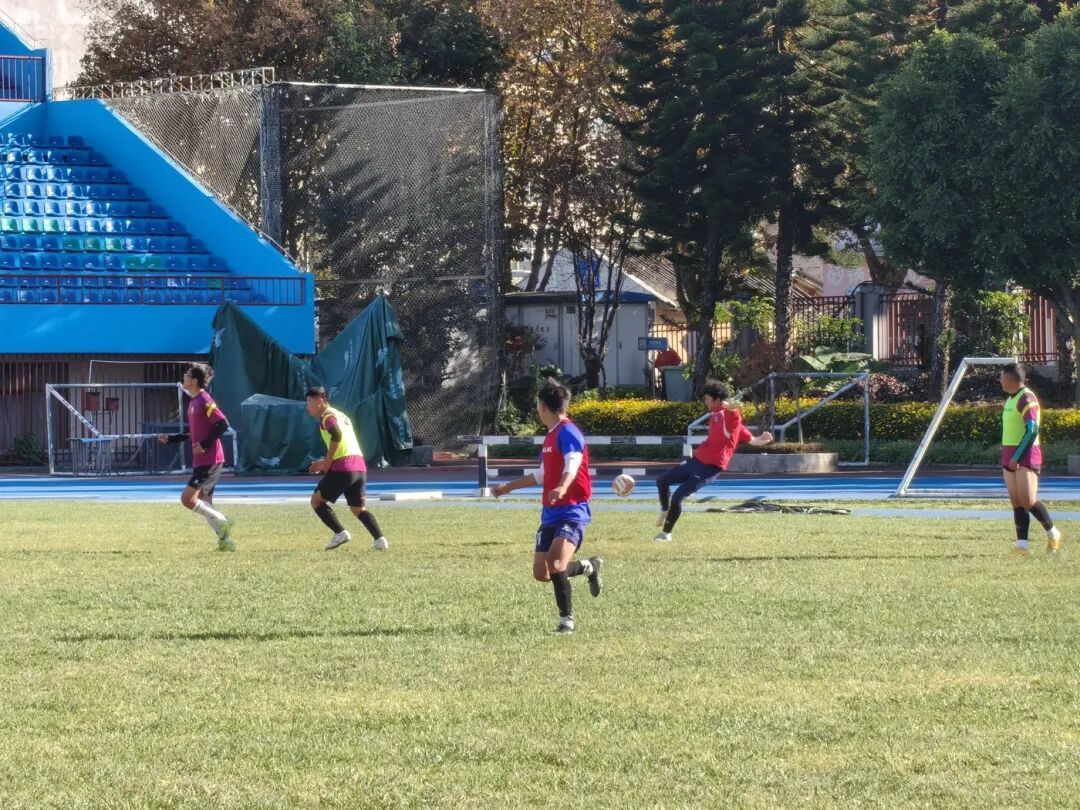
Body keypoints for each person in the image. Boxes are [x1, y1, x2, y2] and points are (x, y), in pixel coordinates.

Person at [492, 378, 603, 634]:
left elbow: (573, 463)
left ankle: (566, 623)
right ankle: (589, 567)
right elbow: (541, 474)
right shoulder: (551, 436)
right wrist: (508, 487)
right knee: (542, 573)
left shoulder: (568, 432)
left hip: (573, 510)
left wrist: (562, 487)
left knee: (555, 564)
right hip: (550, 513)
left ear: (542, 406)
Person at [654, 380, 773, 542]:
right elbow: (752, 440)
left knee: (677, 497)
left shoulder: (728, 416)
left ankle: (666, 534)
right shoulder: (715, 415)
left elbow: (734, 422)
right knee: (662, 481)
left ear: (717, 400)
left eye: (707, 398)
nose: (705, 401)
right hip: (696, 461)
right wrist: (761, 439)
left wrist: (733, 411)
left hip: (709, 468)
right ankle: (664, 510)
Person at [158, 363, 235, 551]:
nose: (184, 376)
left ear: (193, 380)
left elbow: (223, 424)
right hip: (203, 459)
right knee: (205, 502)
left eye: (187, 374)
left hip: (211, 459)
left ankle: (223, 521)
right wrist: (173, 439)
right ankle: (226, 542)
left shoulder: (204, 400)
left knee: (187, 499)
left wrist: (204, 445)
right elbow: (196, 432)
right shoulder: (193, 401)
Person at [305, 386, 389, 552]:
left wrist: (327, 462)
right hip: (359, 467)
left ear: (320, 401)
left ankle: (340, 533)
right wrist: (325, 461)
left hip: (343, 467)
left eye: (309, 402)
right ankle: (380, 540)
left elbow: (336, 435)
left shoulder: (326, 416)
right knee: (358, 509)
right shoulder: (340, 415)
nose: (308, 407)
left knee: (316, 501)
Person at [1000, 363, 1062, 556]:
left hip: (1025, 455)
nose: (1000, 381)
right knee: (1016, 501)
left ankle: (1053, 533)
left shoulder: (1026, 398)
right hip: (1009, 454)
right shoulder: (1010, 399)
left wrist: (1017, 456)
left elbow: (1032, 429)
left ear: (1009, 379)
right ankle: (1022, 546)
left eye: (1001, 377)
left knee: (1028, 500)